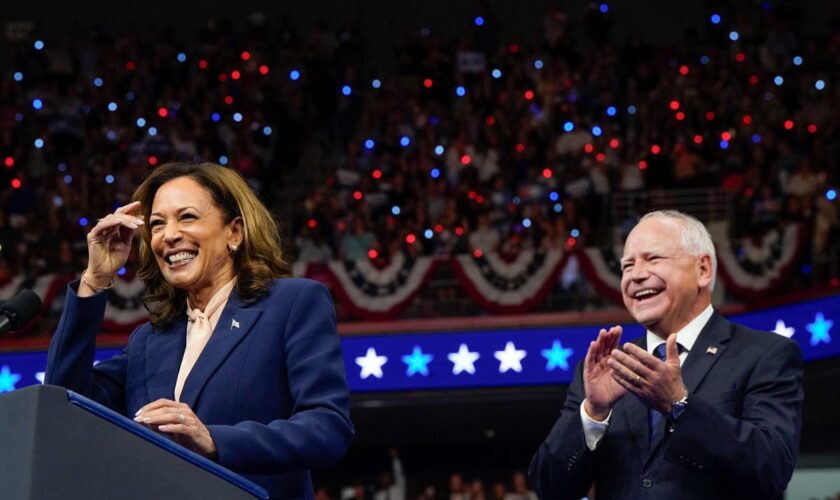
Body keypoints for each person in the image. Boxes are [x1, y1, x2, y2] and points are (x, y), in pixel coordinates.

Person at [45, 162, 354, 499]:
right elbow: (63, 404)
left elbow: (328, 427)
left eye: (187, 217)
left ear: (234, 232)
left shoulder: (292, 304)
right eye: (158, 224)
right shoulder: (149, 341)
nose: (169, 235)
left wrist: (214, 441)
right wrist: (95, 280)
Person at [529, 210, 803, 499]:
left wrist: (679, 406)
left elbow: (771, 470)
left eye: (653, 258)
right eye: (627, 266)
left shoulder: (764, 355)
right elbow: (550, 488)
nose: (636, 275)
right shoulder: (606, 367)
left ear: (703, 270)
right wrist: (593, 414)